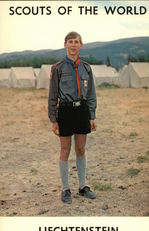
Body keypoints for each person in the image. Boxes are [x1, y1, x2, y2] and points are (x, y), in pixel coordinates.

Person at [48, 31, 97, 204]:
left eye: (76, 41)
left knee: (81, 150)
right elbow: (53, 96)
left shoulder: (86, 68)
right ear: (65, 45)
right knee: (65, 150)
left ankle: (83, 187)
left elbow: (91, 94)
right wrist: (53, 119)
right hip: (66, 112)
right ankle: (65, 189)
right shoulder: (57, 68)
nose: (73, 44)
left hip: (82, 110)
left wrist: (92, 115)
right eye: (70, 41)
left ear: (81, 45)